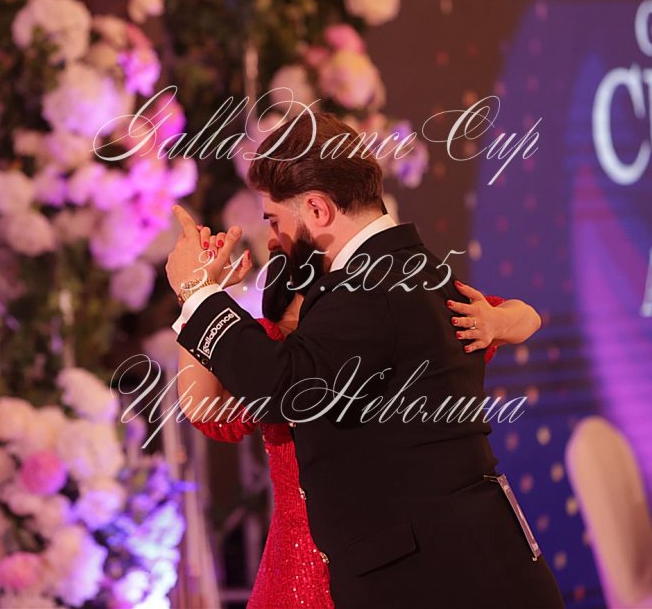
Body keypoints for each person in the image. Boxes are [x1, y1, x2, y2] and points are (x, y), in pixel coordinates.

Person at [165, 113, 564, 608]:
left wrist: (197, 291)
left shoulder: (369, 286)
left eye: (274, 219)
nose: (272, 238)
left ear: (317, 209)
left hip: (443, 582)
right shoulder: (407, 272)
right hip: (465, 571)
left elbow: (283, 387)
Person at [178, 238, 541, 608]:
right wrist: (197, 293)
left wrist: (494, 321)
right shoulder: (270, 349)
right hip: (298, 568)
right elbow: (203, 408)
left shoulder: (388, 318)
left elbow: (526, 317)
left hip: (389, 554)